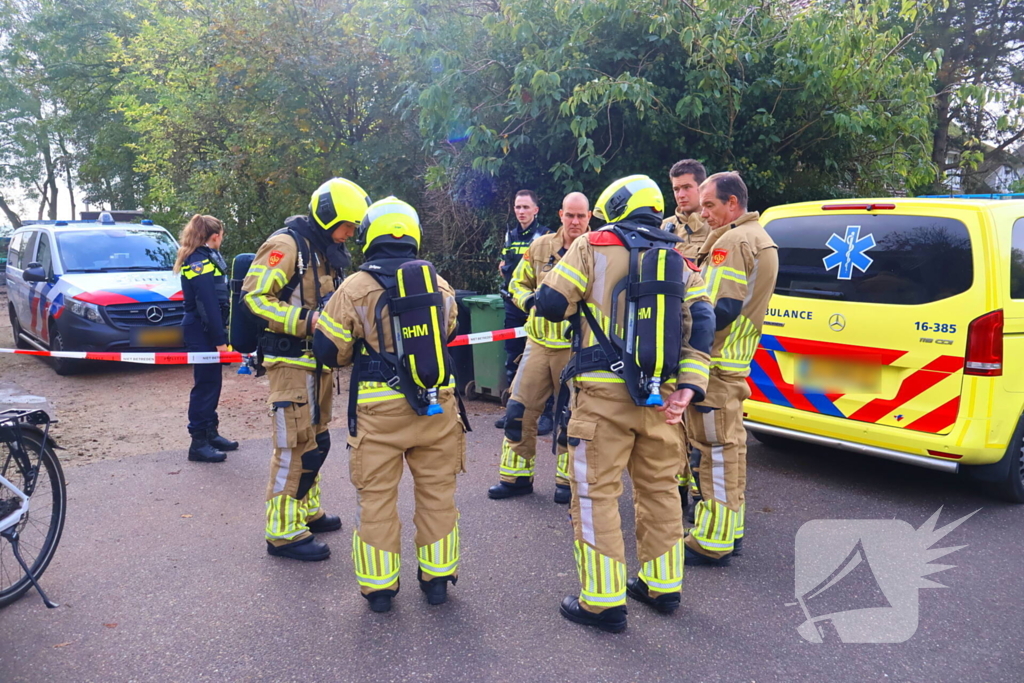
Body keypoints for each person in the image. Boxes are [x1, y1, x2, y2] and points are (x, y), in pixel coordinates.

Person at [535, 175, 715, 633]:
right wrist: (688, 388)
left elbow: (552, 303)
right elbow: (704, 324)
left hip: (601, 397)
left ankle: (602, 601)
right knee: (660, 493)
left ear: (614, 205)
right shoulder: (680, 258)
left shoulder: (591, 246)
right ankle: (662, 586)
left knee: (596, 495)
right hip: (662, 399)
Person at [312, 197, 465, 613]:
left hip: (379, 413)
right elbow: (450, 330)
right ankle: (437, 581)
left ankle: (379, 590)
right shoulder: (439, 282)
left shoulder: (356, 287)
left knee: (377, 498)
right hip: (437, 405)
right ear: (412, 234)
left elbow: (329, 350)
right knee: (438, 494)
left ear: (371, 235)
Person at [244, 177, 370, 562]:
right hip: (290, 364)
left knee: (317, 442)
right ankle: (282, 532)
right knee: (292, 447)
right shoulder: (287, 246)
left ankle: (306, 511)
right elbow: (255, 297)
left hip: (318, 365)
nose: (350, 234)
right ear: (328, 216)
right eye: (347, 225)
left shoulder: (325, 248)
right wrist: (306, 320)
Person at [684, 172, 778, 567]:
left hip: (716, 365)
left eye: (710, 205)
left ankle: (712, 540)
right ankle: (731, 528)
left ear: (733, 205)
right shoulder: (760, 237)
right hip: (734, 364)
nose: (703, 214)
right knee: (732, 449)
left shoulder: (734, 241)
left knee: (714, 452)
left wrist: (682, 333)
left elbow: (719, 310)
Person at [487, 192, 591, 505]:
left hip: (576, 349)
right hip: (538, 343)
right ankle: (516, 479)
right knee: (518, 411)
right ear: (560, 214)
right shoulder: (541, 245)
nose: (575, 222)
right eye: (570, 215)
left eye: (581, 216)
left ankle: (566, 483)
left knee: (571, 418)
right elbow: (517, 282)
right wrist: (529, 301)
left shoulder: (599, 248)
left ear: (590, 218)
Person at [661, 159, 710, 513]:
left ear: (702, 187)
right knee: (672, 424)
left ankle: (700, 498)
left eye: (687, 187)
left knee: (702, 433)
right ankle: (677, 494)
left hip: (701, 341)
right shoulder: (664, 227)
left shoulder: (714, 229)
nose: (680, 194)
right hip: (668, 340)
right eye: (676, 188)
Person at [175, 214, 237, 463]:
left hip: (208, 328)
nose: (222, 239)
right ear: (215, 236)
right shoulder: (197, 260)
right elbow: (207, 303)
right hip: (201, 329)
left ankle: (211, 433)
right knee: (205, 386)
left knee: (213, 383)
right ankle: (198, 443)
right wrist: (220, 341)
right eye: (222, 235)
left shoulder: (208, 257)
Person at [496, 190, 553, 433]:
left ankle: (548, 414)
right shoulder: (510, 234)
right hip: (512, 304)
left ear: (536, 210)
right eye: (518, 207)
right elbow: (503, 265)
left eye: (526, 207)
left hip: (537, 306)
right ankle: (514, 412)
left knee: (543, 361)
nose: (521, 212)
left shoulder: (547, 235)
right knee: (513, 359)